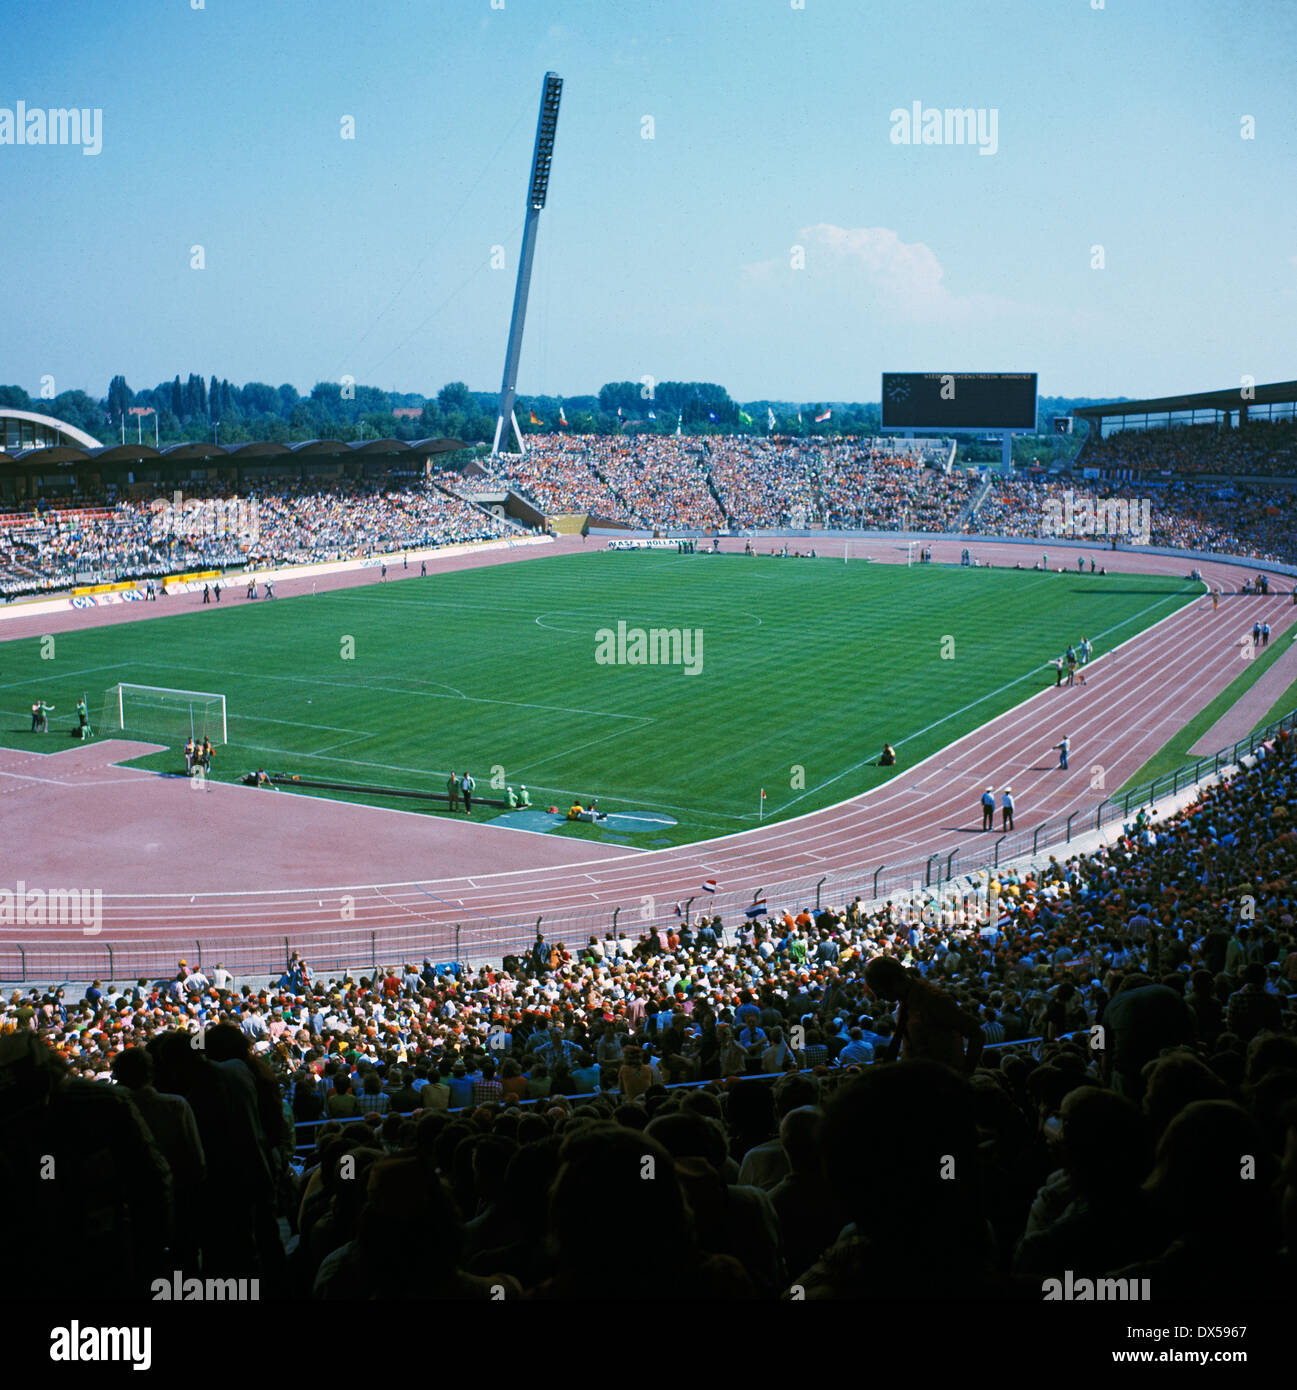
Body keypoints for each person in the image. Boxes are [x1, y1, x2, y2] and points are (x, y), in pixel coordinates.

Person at [863, 955, 983, 1072]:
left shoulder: (933, 999)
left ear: (893, 983)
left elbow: (976, 1033)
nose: (879, 998)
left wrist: (965, 1074)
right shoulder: (905, 1000)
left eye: (880, 992)